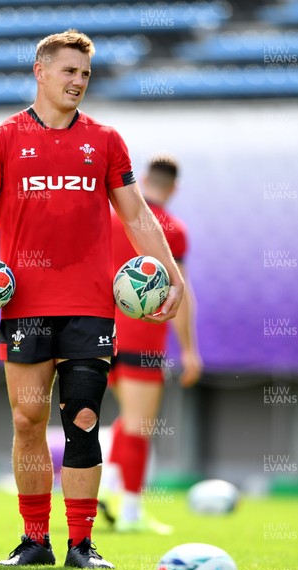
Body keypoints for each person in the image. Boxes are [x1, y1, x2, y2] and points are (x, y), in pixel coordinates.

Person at [0, 31, 184, 569]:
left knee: (83, 416)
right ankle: (35, 540)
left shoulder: (105, 140)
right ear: (41, 71)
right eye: (69, 71)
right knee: (28, 419)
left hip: (91, 304)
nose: (78, 81)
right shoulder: (1, 138)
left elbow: (136, 216)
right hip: (26, 304)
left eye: (85, 74)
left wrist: (173, 276)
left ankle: (82, 544)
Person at [101, 156, 202, 533]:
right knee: (140, 425)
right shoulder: (172, 229)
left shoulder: (112, 217)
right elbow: (183, 293)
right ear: (174, 188)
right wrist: (190, 350)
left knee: (127, 419)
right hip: (144, 337)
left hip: (103, 333)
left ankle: (107, 489)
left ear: (142, 178)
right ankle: (129, 512)